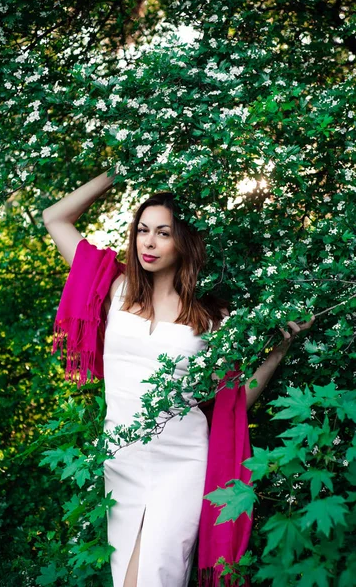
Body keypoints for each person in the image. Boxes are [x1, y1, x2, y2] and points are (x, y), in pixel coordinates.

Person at [43, 169, 315, 587]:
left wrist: (279, 351)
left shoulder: (212, 318)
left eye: (163, 233)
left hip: (183, 460)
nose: (148, 243)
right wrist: (121, 169)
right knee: (128, 579)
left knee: (156, 576)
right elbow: (55, 217)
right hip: (122, 456)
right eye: (143, 231)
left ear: (184, 241)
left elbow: (234, 402)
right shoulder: (114, 289)